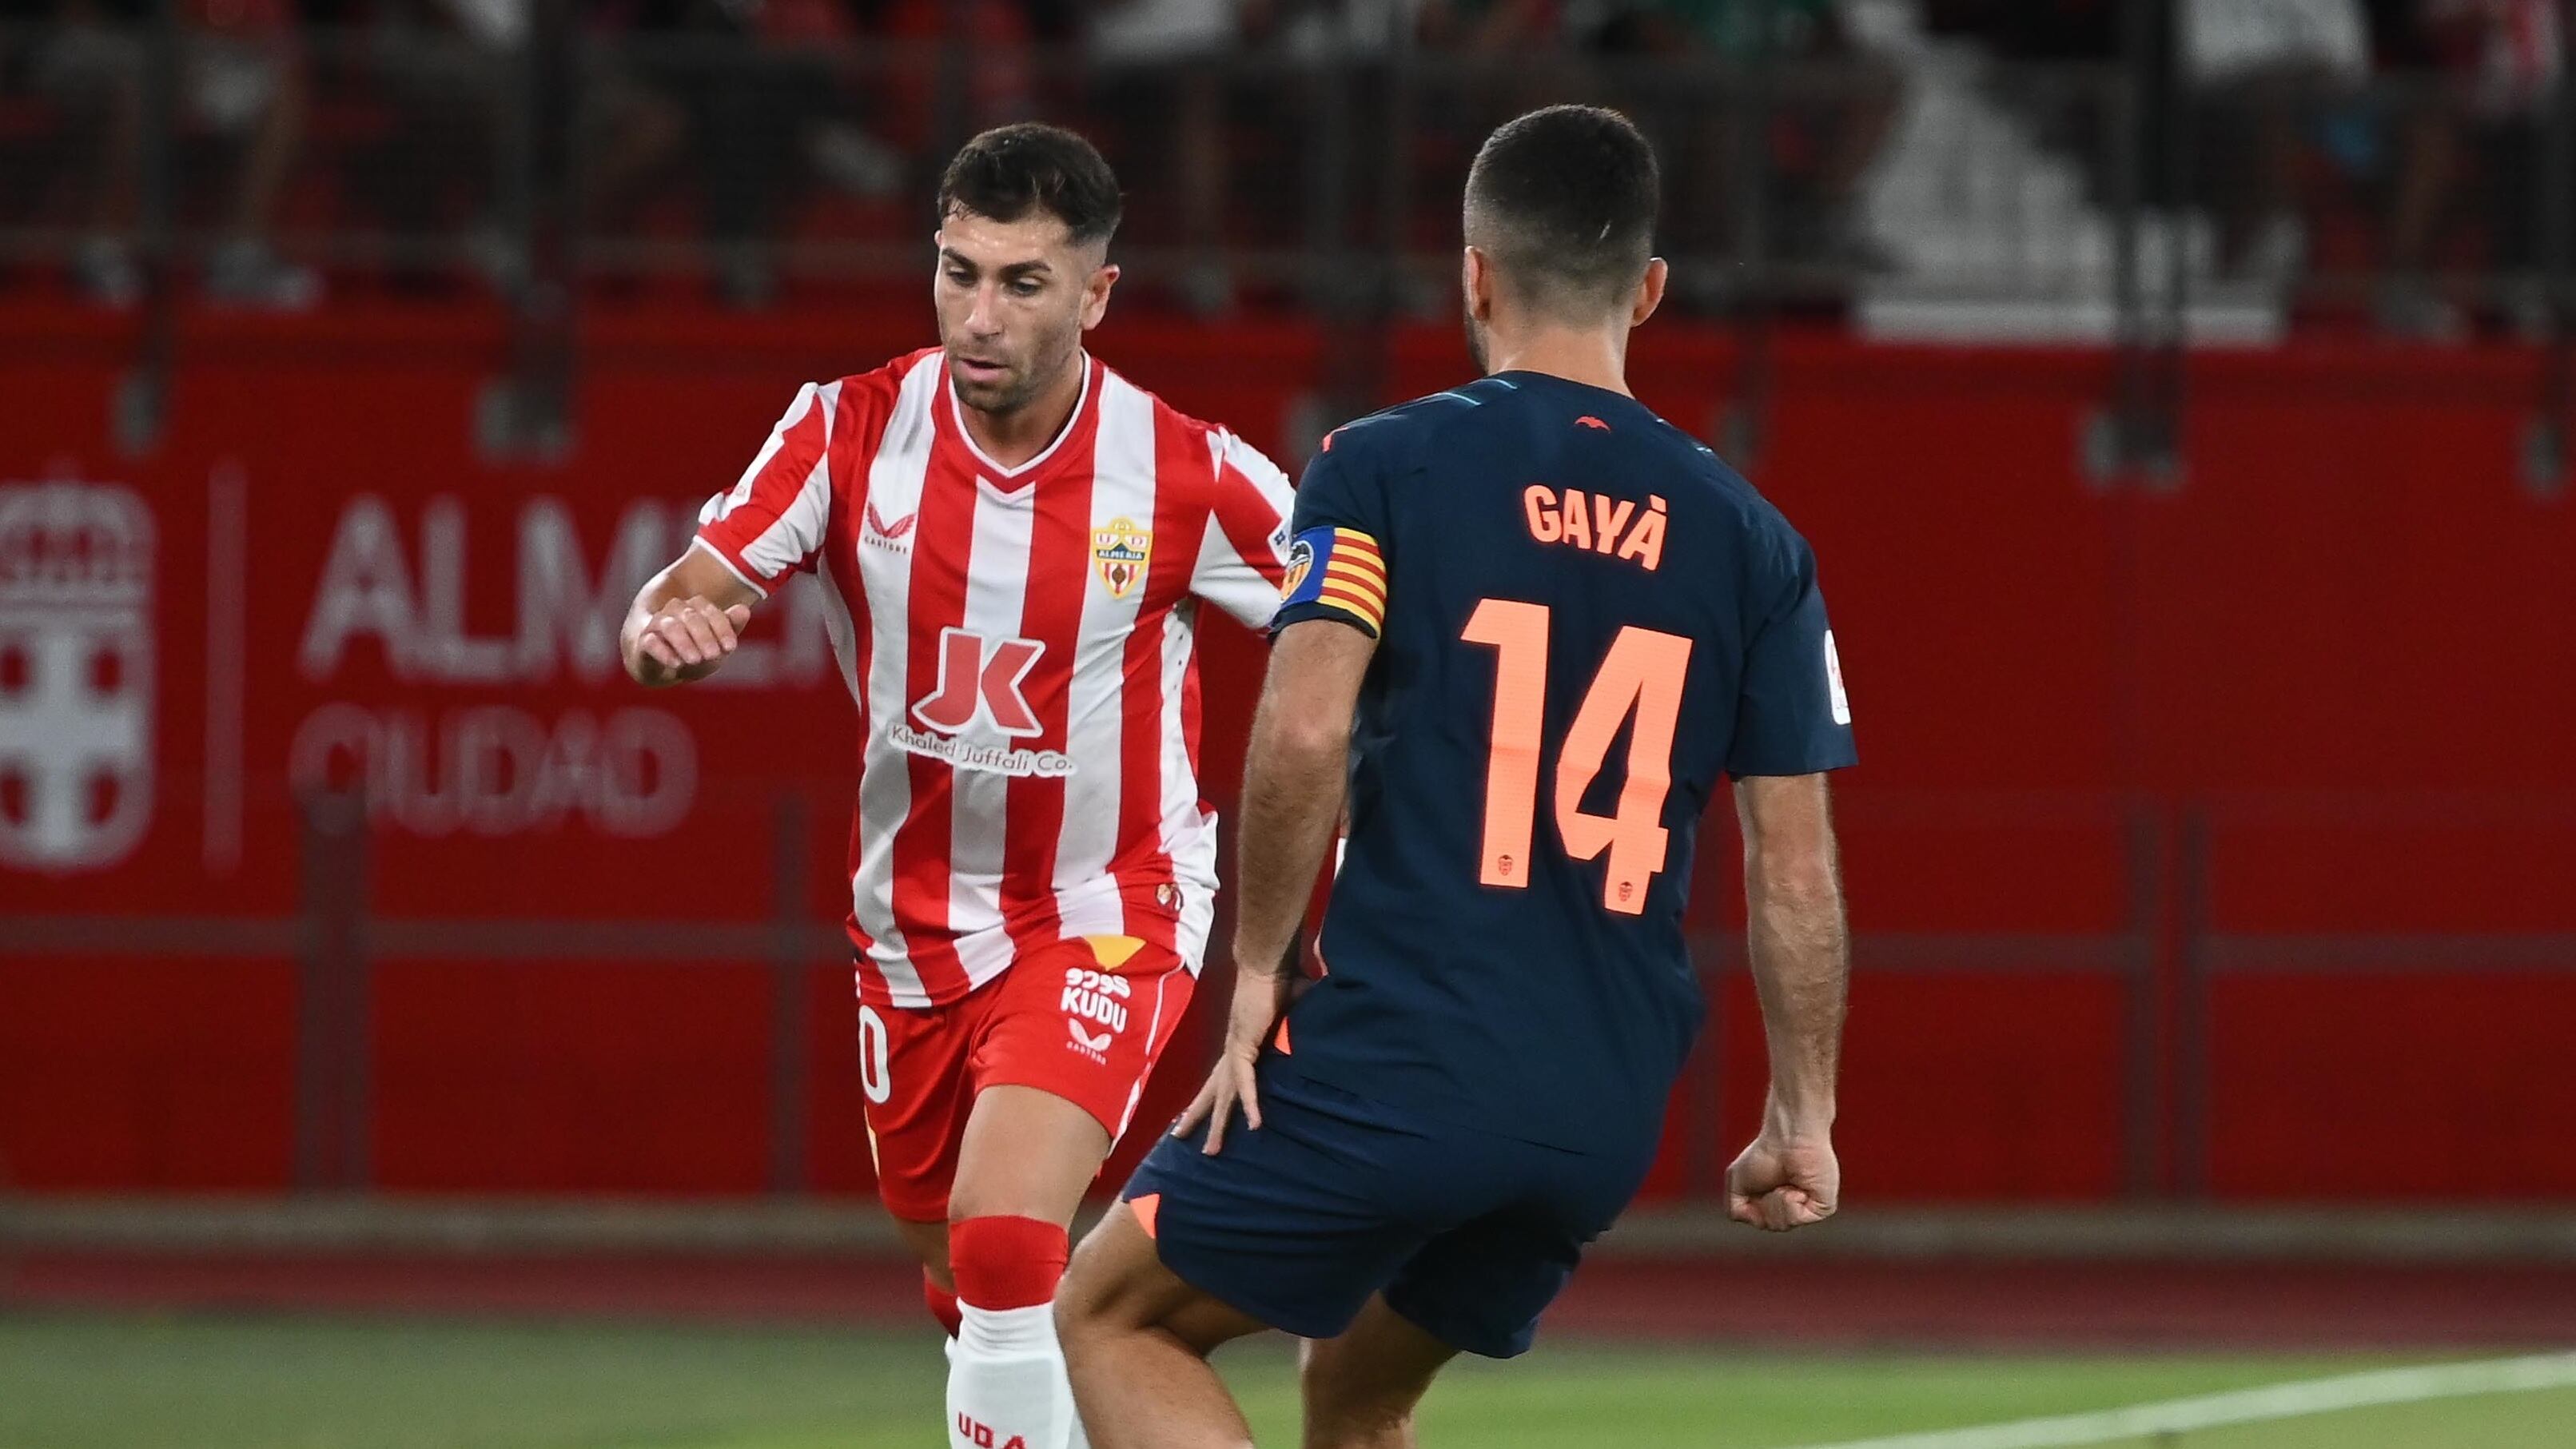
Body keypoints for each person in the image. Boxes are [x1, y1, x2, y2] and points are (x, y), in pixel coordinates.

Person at [1054, 105, 1857, 1449]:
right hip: (1598, 1107)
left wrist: (1253, 968)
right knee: (1357, 1393)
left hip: (1407, 1052)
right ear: (1650, 291)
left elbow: (1304, 732)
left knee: (1108, 1315)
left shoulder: (1382, 465)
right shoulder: (1755, 541)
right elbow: (1796, 865)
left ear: (1472, 273)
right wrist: (1804, 1113)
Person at [618, 122, 1295, 1449]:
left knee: (997, 1239)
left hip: (1114, 899)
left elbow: (1352, 612)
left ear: (1096, 294)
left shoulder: (1186, 469)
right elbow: (675, 597)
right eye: (957, 271)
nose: (979, 316)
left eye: (1023, 282)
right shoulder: (842, 430)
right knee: (974, 1276)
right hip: (914, 933)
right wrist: (666, 638)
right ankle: (1111, 1349)